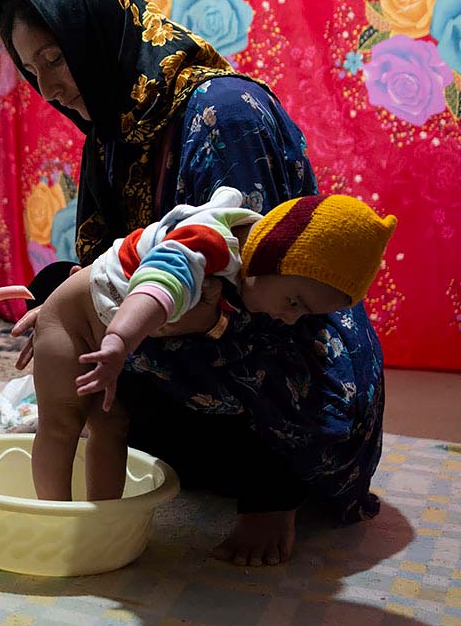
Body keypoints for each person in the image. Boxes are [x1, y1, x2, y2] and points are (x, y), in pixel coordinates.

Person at [0, 0, 389, 567]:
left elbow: (266, 297)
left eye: (55, 58)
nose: (47, 88)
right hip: (195, 325)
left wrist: (269, 497)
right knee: (61, 298)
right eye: (30, 70)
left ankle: (273, 487)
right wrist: (69, 314)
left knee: (126, 319)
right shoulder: (113, 130)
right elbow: (109, 266)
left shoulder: (222, 116)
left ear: (98, 34)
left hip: (289, 360)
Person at [27, 185, 395, 505]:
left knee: (112, 427)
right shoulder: (207, 243)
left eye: (303, 314)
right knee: (61, 425)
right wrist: (119, 342)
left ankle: (101, 519)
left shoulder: (248, 255)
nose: (288, 317)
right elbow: (157, 287)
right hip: (72, 324)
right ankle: (52, 517)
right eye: (294, 302)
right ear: (274, 253)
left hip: (109, 334)